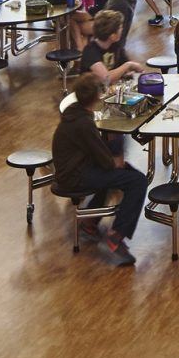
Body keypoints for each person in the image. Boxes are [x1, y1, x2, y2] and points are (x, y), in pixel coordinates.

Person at [52, 73, 147, 265]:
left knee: (123, 174)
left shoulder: (75, 113)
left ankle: (89, 222)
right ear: (96, 96)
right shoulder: (84, 123)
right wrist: (117, 161)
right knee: (137, 181)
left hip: (74, 169)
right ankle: (117, 234)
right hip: (75, 175)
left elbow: (97, 152)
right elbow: (105, 161)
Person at [77, 10, 149, 86]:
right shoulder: (90, 52)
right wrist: (128, 65)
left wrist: (128, 71)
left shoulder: (116, 45)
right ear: (112, 36)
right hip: (92, 93)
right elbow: (107, 79)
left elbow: (125, 67)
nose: (122, 30)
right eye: (120, 28)